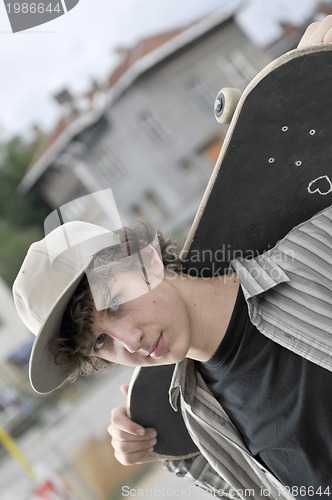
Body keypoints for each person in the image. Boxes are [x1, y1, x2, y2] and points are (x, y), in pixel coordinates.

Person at [12, 16, 332, 500]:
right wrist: (172, 452)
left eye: (116, 302)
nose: (129, 340)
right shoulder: (199, 419)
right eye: (100, 341)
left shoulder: (312, 254)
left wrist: (315, 67)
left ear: (144, 259)